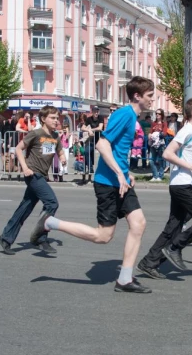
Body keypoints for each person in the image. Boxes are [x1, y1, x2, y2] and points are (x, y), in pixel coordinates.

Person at [27, 77, 155, 293]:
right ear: (137, 96)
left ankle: (124, 279)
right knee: (103, 236)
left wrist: (126, 173)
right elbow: (102, 145)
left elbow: (117, 150)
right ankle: (50, 222)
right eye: (150, 95)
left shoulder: (132, 116)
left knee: (138, 223)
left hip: (120, 181)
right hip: (108, 183)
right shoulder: (125, 114)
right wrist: (119, 174)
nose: (153, 99)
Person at [137, 98, 192, 278]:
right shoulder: (187, 131)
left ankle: (149, 263)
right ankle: (174, 247)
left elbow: (187, 161)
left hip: (181, 183)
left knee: (173, 227)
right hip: (182, 186)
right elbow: (167, 154)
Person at [0, 105, 66, 255]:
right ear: (43, 119)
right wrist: (25, 167)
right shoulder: (35, 133)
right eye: (52, 118)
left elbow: (59, 149)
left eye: (57, 118)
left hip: (42, 175)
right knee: (52, 202)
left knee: (25, 207)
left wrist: (62, 157)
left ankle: (6, 237)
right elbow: (18, 148)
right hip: (33, 175)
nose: (56, 121)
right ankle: (40, 238)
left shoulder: (55, 136)